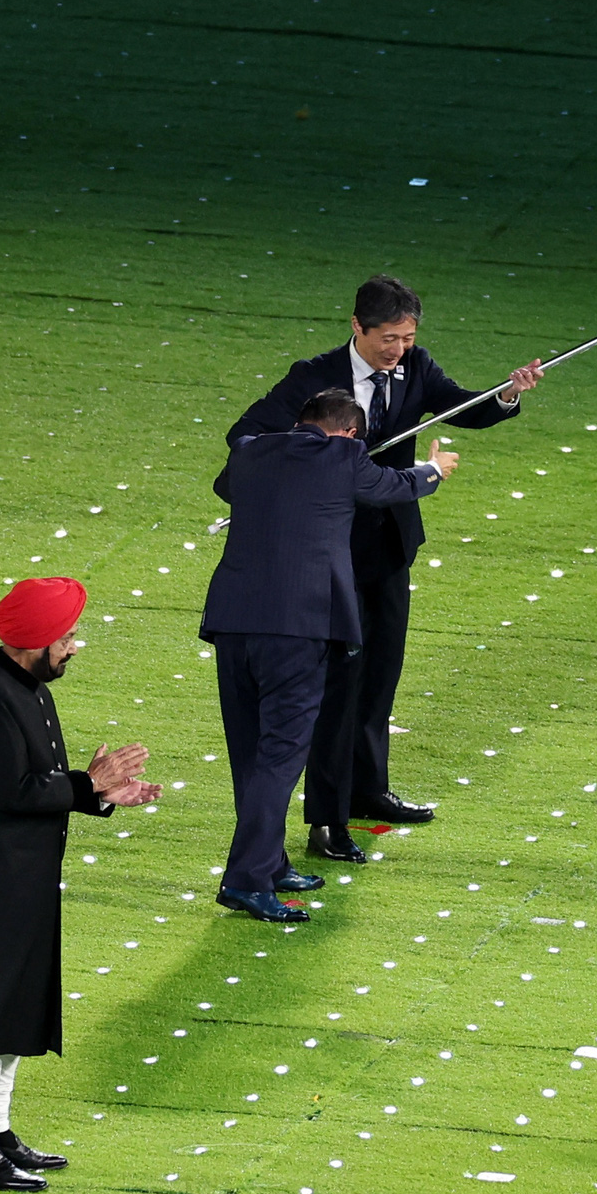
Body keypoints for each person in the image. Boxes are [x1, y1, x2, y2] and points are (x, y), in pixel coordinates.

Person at [217, 274, 543, 864]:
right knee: (335, 689)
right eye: (388, 338)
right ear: (357, 328)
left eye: (408, 338)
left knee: (377, 677)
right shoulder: (311, 379)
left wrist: (506, 396)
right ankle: (327, 818)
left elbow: (462, 409)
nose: (398, 350)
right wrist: (312, 462)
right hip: (325, 557)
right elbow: (245, 439)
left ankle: (367, 791)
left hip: (388, 547)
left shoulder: (417, 369)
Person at [0, 577, 161, 1192]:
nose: (74, 647)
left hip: (17, 877)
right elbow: (12, 790)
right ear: (36, 642)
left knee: (12, 1004)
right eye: (66, 637)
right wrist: (88, 785)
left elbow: (41, 784)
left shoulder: (24, 687)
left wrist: (97, 794)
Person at [202, 389, 460, 921]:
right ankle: (247, 879)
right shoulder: (345, 458)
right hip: (298, 630)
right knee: (279, 756)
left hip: (233, 623)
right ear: (347, 433)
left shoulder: (250, 451)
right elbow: (393, 486)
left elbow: (228, 488)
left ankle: (269, 864)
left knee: (250, 754)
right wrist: (433, 469)